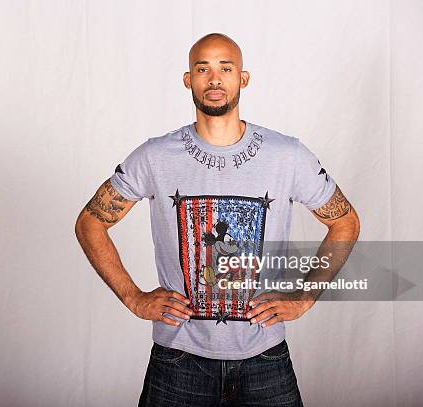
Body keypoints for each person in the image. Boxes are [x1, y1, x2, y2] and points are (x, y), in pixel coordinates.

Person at [75, 33, 360, 406]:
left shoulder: (286, 155)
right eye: (202, 69)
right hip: (178, 359)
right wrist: (134, 298)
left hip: (265, 356)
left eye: (225, 68)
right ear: (188, 79)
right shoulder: (156, 156)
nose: (214, 79)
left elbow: (345, 222)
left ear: (243, 78)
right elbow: (90, 223)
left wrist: (304, 297)